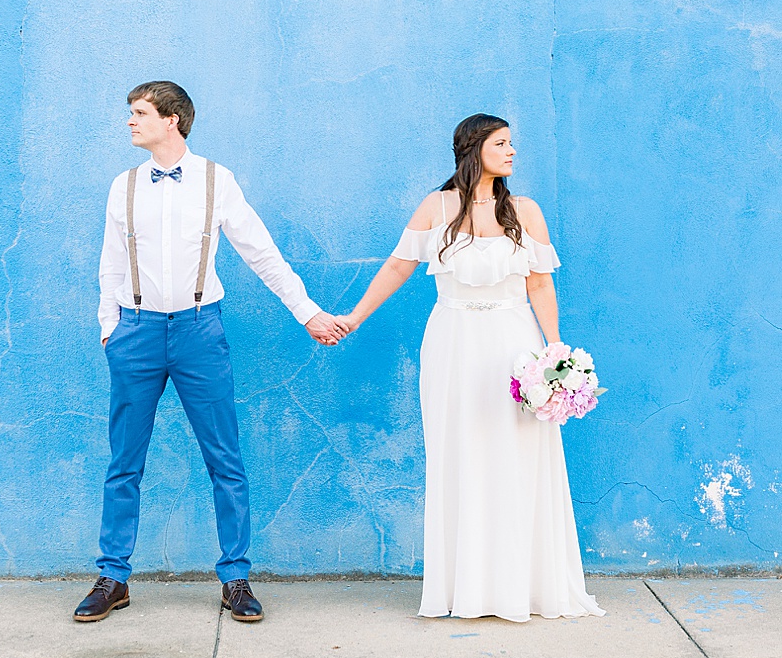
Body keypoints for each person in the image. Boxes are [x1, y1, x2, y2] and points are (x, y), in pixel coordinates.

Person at [75, 80, 348, 625]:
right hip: (136, 331)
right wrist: (111, 329)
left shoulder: (216, 180)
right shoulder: (122, 186)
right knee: (124, 461)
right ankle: (113, 577)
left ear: (172, 119)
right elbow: (110, 263)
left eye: (140, 113)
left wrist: (307, 312)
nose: (130, 122)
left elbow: (261, 253)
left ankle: (235, 578)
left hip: (200, 332)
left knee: (224, 458)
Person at [333, 113, 604, 621]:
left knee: (518, 457)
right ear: (475, 147)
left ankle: (521, 587)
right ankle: (467, 589)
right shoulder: (436, 207)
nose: (512, 152)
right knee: (460, 454)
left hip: (515, 346)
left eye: (511, 144)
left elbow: (540, 285)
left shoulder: (525, 210)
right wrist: (354, 317)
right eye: (502, 143)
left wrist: (558, 356)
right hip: (453, 343)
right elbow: (398, 266)